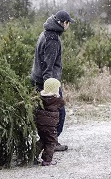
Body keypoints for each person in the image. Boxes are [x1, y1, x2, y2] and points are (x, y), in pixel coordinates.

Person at [31, 10, 74, 151]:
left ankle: (47, 142)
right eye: (68, 23)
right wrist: (51, 91)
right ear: (63, 23)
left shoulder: (45, 33)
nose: (68, 26)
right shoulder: (53, 40)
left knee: (46, 115)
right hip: (48, 82)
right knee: (58, 113)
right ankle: (50, 143)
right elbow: (47, 66)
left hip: (38, 79)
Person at [35, 78, 65, 166]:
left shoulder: (40, 98)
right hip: (51, 126)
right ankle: (47, 160)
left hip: (40, 124)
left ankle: (32, 155)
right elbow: (62, 107)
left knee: (42, 140)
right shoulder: (58, 100)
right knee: (51, 142)